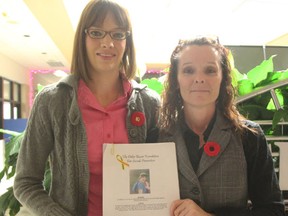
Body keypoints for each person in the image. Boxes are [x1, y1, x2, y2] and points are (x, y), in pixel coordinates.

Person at [13, 0, 160, 215]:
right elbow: (25, 182)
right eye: (97, 33)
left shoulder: (149, 103)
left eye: (118, 34)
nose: (108, 43)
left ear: (127, 41)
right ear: (83, 38)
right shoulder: (52, 101)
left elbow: (163, 176)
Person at [158, 37, 285, 216]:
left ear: (223, 78)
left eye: (210, 70)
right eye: (188, 70)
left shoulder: (250, 136)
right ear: (176, 80)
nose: (199, 79)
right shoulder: (157, 135)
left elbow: (273, 211)